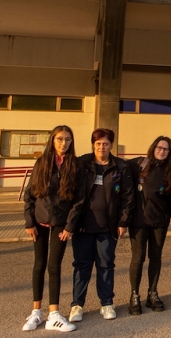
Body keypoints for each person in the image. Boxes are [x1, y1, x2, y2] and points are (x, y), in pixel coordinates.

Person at [68, 128, 134, 322]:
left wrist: (123, 221)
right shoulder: (82, 163)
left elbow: (128, 197)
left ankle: (106, 303)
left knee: (106, 265)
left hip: (108, 228)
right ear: (93, 145)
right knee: (82, 266)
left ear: (111, 145)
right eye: (98, 144)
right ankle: (77, 305)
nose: (101, 147)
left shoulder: (120, 166)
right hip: (83, 227)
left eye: (105, 144)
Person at [22, 125, 79, 332]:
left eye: (68, 140)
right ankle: (36, 312)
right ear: (52, 140)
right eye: (60, 139)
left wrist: (69, 226)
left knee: (54, 266)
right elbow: (29, 195)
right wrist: (29, 222)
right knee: (39, 265)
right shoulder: (42, 163)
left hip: (61, 225)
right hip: (39, 221)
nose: (64, 143)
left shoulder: (74, 165)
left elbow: (78, 200)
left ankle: (53, 314)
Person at [126, 136, 171, 315]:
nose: (162, 151)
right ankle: (134, 295)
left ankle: (152, 293)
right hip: (138, 221)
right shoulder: (139, 164)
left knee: (155, 258)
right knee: (138, 258)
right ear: (153, 147)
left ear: (170, 153)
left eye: (165, 149)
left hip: (159, 222)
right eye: (159, 147)